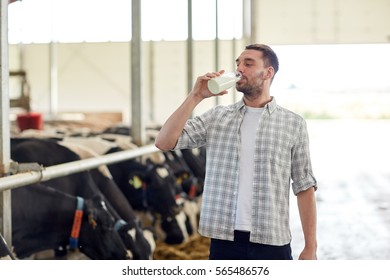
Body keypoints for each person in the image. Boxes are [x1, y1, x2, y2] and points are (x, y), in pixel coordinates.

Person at [155, 43, 317, 260]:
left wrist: (310, 247)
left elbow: (304, 186)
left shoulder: (292, 123)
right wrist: (195, 96)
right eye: (238, 63)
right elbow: (164, 142)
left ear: (268, 72)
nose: (240, 68)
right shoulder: (217, 117)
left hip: (272, 240)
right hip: (224, 241)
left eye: (248, 64)